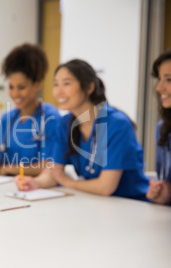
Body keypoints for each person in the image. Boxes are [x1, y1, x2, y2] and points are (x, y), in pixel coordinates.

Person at [14, 59, 149, 201]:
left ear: (89, 87)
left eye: (66, 84)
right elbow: (54, 173)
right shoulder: (65, 124)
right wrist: (35, 182)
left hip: (132, 204)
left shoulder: (117, 124)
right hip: (95, 203)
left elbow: (106, 187)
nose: (58, 92)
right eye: (56, 84)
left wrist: (68, 182)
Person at [0, 43, 60, 180]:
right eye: (11, 87)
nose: (15, 93)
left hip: (40, 190)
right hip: (8, 188)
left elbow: (50, 165)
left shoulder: (50, 117)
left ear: (37, 84)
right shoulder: (8, 118)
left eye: (21, 87)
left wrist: (14, 169)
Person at [146, 49, 171, 205]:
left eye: (169, 80)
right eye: (159, 79)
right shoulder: (163, 128)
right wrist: (163, 194)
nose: (159, 87)